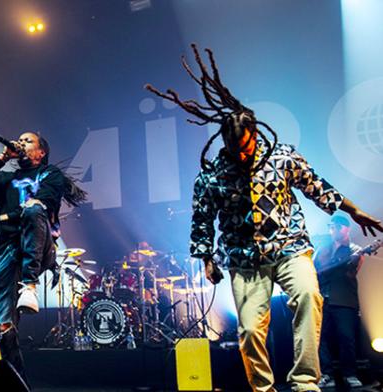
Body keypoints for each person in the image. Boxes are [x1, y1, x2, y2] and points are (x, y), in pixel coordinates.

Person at [145, 44, 383, 392]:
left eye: (245, 147)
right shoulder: (213, 174)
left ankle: (305, 382)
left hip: (290, 248)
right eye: (233, 148)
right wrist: (207, 258)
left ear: (255, 136)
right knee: (251, 330)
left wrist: (354, 209)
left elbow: (317, 187)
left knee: (308, 297)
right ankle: (263, 388)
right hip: (244, 258)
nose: (240, 154)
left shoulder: (283, 158)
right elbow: (201, 218)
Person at [0, 131, 84, 381]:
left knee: (33, 207)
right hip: (9, 251)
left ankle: (29, 285)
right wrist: (3, 157)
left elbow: (40, 205)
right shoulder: (8, 179)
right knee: (3, 328)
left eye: (28, 141)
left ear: (41, 152)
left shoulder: (51, 175)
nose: (22, 143)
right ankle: (18, 381)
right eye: (20, 140)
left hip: (41, 245)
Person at [315, 216, 366, 388]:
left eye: (337, 226)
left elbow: (352, 273)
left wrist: (353, 258)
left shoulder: (355, 249)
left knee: (346, 338)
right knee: (320, 338)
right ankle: (325, 373)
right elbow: (316, 271)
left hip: (344, 299)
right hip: (323, 298)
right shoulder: (322, 250)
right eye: (331, 227)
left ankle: (349, 374)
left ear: (346, 228)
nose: (334, 230)